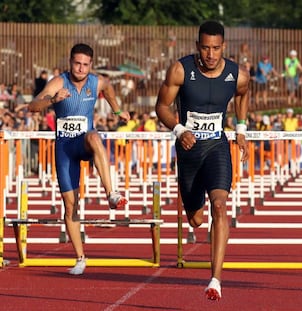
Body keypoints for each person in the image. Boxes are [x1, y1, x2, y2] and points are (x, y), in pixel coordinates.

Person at [155, 21, 249, 301]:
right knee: (196, 220)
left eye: (216, 49)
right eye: (206, 48)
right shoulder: (180, 70)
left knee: (220, 206)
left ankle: (215, 279)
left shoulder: (237, 75)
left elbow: (243, 97)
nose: (210, 54)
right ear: (198, 46)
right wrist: (179, 129)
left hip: (217, 147)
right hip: (189, 151)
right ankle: (197, 208)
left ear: (224, 47)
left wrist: (241, 131)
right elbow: (161, 106)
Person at [28, 43, 130, 275]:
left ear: (90, 65)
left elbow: (110, 90)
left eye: (85, 64)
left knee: (95, 137)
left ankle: (111, 193)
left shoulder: (98, 82)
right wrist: (53, 100)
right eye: (77, 63)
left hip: (84, 140)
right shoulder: (58, 82)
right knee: (70, 204)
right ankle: (80, 258)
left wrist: (117, 110)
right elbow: (33, 106)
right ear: (70, 61)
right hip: (65, 148)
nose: (81, 68)